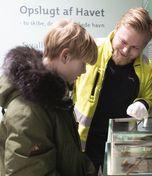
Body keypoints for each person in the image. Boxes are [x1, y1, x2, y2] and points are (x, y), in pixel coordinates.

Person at [0, 19, 98, 176]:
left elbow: (66, 154)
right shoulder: (28, 111)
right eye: (83, 63)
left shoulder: (53, 99)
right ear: (65, 56)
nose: (84, 71)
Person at [73, 7, 152, 173]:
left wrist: (142, 104)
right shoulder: (91, 50)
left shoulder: (146, 67)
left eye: (135, 47)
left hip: (120, 145)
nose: (126, 51)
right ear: (116, 28)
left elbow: (148, 97)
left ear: (144, 47)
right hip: (82, 141)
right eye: (123, 42)